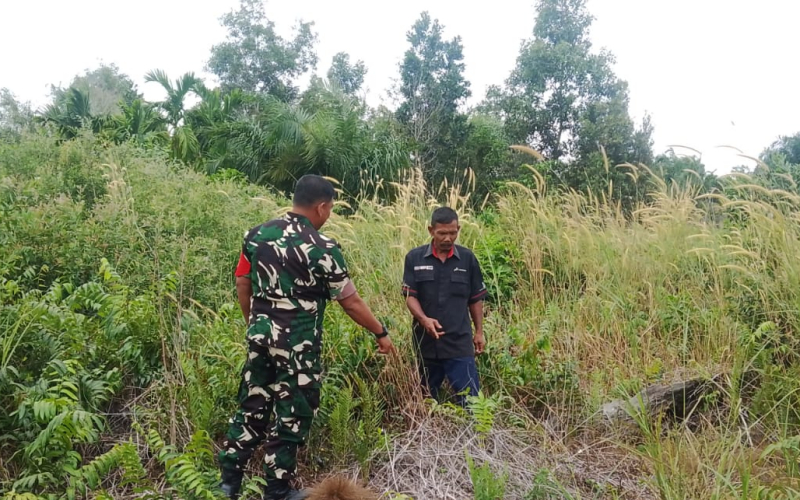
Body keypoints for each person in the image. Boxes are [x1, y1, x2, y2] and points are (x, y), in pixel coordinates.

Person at [218, 175, 395, 500]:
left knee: (252, 406)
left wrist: (254, 323)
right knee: (292, 413)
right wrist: (380, 332)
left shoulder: (256, 235)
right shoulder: (323, 247)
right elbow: (351, 301)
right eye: (330, 209)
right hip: (297, 348)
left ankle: (227, 484)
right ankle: (277, 490)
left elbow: (243, 282)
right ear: (322, 206)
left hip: (259, 340)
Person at [401, 207, 488, 408]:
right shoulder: (414, 258)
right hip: (426, 343)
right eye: (442, 233)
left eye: (453, 233)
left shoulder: (467, 259)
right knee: (424, 401)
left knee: (472, 402)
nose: (448, 238)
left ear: (458, 229)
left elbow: (475, 299)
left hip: (459, 342)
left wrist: (479, 332)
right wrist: (423, 319)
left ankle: (474, 429)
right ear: (431, 230)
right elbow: (410, 296)